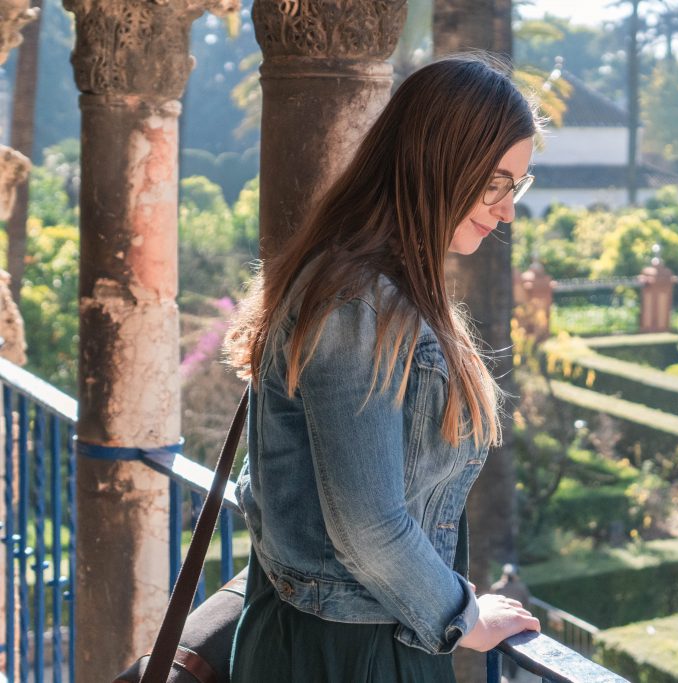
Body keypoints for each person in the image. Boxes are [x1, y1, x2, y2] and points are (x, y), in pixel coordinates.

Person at [224, 54, 542, 681]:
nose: (507, 210)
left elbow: (279, 479)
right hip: (349, 653)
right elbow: (367, 524)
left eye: (516, 187)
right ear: (438, 161)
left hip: (345, 637)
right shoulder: (359, 302)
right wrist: (463, 616)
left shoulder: (371, 287)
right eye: (495, 183)